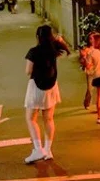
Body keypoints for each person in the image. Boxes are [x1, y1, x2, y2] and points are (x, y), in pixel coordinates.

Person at [24, 25, 70, 163]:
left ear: (38, 37)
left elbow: (28, 71)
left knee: (31, 118)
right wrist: (58, 39)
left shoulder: (34, 51)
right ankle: (48, 150)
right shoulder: (54, 50)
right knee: (48, 119)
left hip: (36, 87)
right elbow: (64, 46)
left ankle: (38, 149)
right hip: (51, 87)